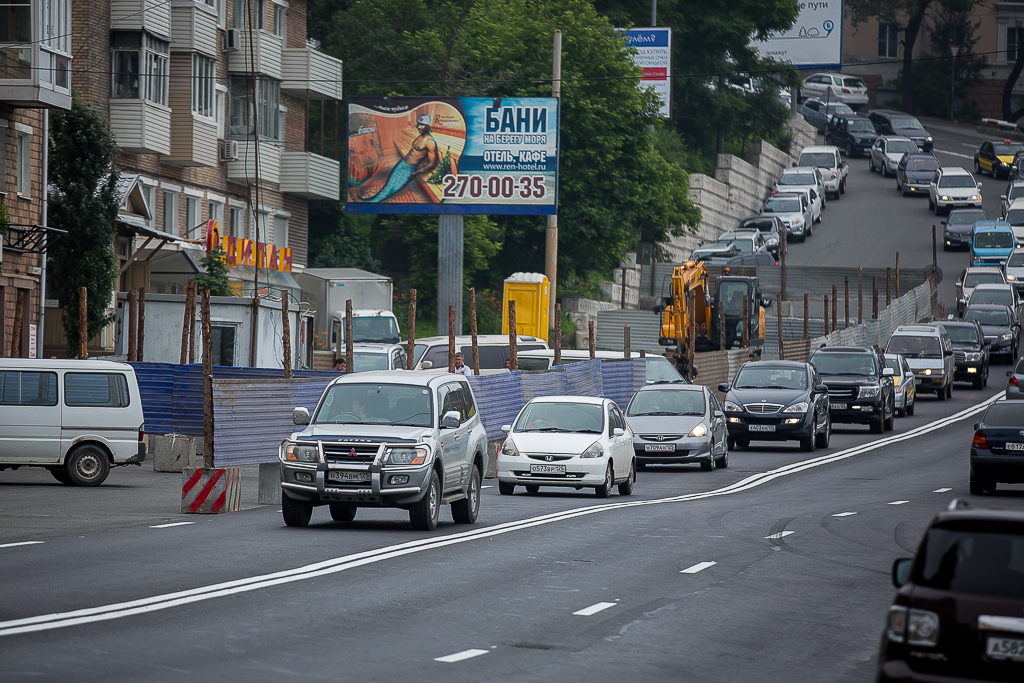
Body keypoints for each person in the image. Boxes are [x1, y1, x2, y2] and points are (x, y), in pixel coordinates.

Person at [359, 113, 439, 203]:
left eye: (422, 125)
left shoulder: (430, 142)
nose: (419, 127)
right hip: (402, 163)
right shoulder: (420, 136)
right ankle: (369, 200)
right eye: (419, 124)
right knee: (388, 185)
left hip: (409, 169)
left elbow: (432, 164)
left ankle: (369, 202)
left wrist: (417, 172)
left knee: (390, 189)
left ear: (427, 126)